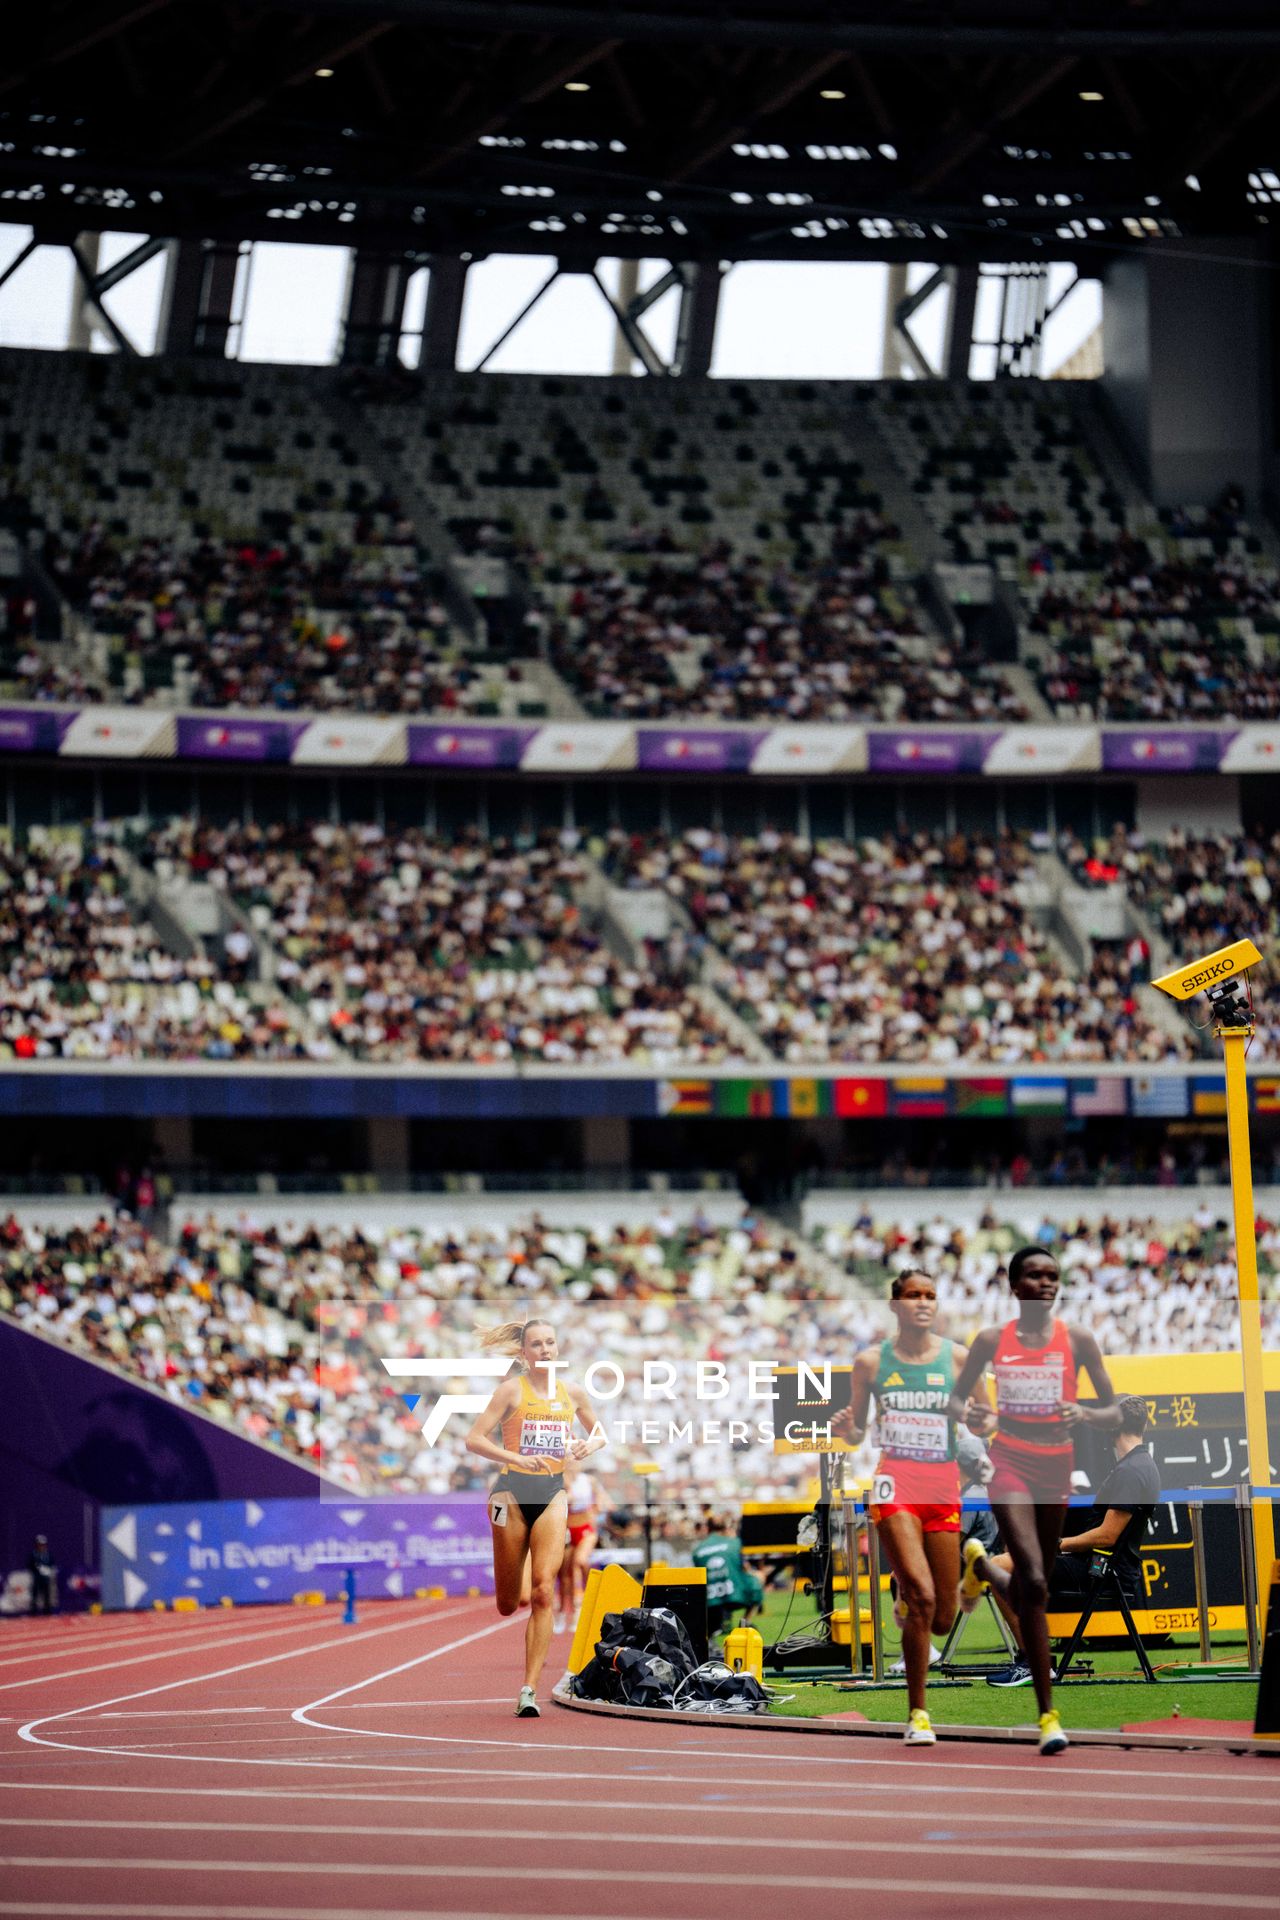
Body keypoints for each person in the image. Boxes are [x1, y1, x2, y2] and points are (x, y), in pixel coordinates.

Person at [947, 1245, 1122, 1756]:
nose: (1046, 1283)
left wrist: (1084, 1415)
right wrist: (978, 1414)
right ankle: (1049, 1717)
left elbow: (1115, 1411)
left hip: (1055, 1468)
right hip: (1011, 1466)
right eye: (1034, 1276)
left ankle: (979, 1565)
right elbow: (959, 1400)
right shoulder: (990, 1340)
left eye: (1052, 1276)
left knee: (1032, 1587)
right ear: (1014, 1284)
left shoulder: (1078, 1340)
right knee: (1039, 1582)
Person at [835, 1268, 985, 1747]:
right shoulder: (869, 1363)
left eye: (930, 1296)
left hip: (942, 1486)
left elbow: (985, 1423)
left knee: (940, 1617)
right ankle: (918, 1713)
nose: (923, 1303)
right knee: (921, 1595)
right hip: (893, 1483)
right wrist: (847, 1427)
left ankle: (963, 1579)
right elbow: (858, 1431)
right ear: (896, 1304)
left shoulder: (959, 1358)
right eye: (913, 1295)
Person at [465, 1318, 604, 1719]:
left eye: (550, 1343)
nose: (545, 1350)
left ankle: (529, 1689)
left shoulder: (572, 1392)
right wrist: (515, 1457)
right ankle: (517, 1560)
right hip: (509, 1494)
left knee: (544, 1592)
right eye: (537, 1344)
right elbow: (473, 1439)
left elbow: (600, 1434)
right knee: (513, 1603)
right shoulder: (510, 1391)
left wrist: (584, 1447)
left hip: (551, 1493)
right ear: (524, 1353)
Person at [983, 1395, 1161, 1686]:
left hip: (1102, 1569)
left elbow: (1107, 1534)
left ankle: (1032, 1661)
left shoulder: (1132, 1470)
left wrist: (1059, 1544)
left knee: (1000, 1567)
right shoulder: (1136, 1465)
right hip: (1097, 1563)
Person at [691, 1510, 764, 1638]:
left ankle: (716, 1625)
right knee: (758, 1577)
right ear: (726, 1528)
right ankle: (746, 1621)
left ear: (707, 1528)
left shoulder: (697, 1550)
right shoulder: (734, 1543)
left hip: (710, 1599)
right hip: (736, 1595)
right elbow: (745, 1568)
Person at [556, 1463, 598, 1634]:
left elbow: (600, 1500)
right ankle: (563, 1613)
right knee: (565, 1576)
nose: (574, 1464)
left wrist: (598, 1508)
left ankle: (586, 1602)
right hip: (566, 1529)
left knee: (580, 1561)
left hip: (585, 1528)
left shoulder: (589, 1480)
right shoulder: (560, 1479)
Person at [28, 1535, 56, 1615]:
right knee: (35, 1596)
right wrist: (37, 1569)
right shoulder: (33, 1554)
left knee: (46, 1596)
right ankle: (33, 1612)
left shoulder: (48, 1554)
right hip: (37, 1578)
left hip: (45, 1579)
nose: (42, 1546)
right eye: (40, 1544)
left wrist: (48, 1570)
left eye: (43, 1545)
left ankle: (47, 1612)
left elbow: (52, 1564)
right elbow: (30, 1565)